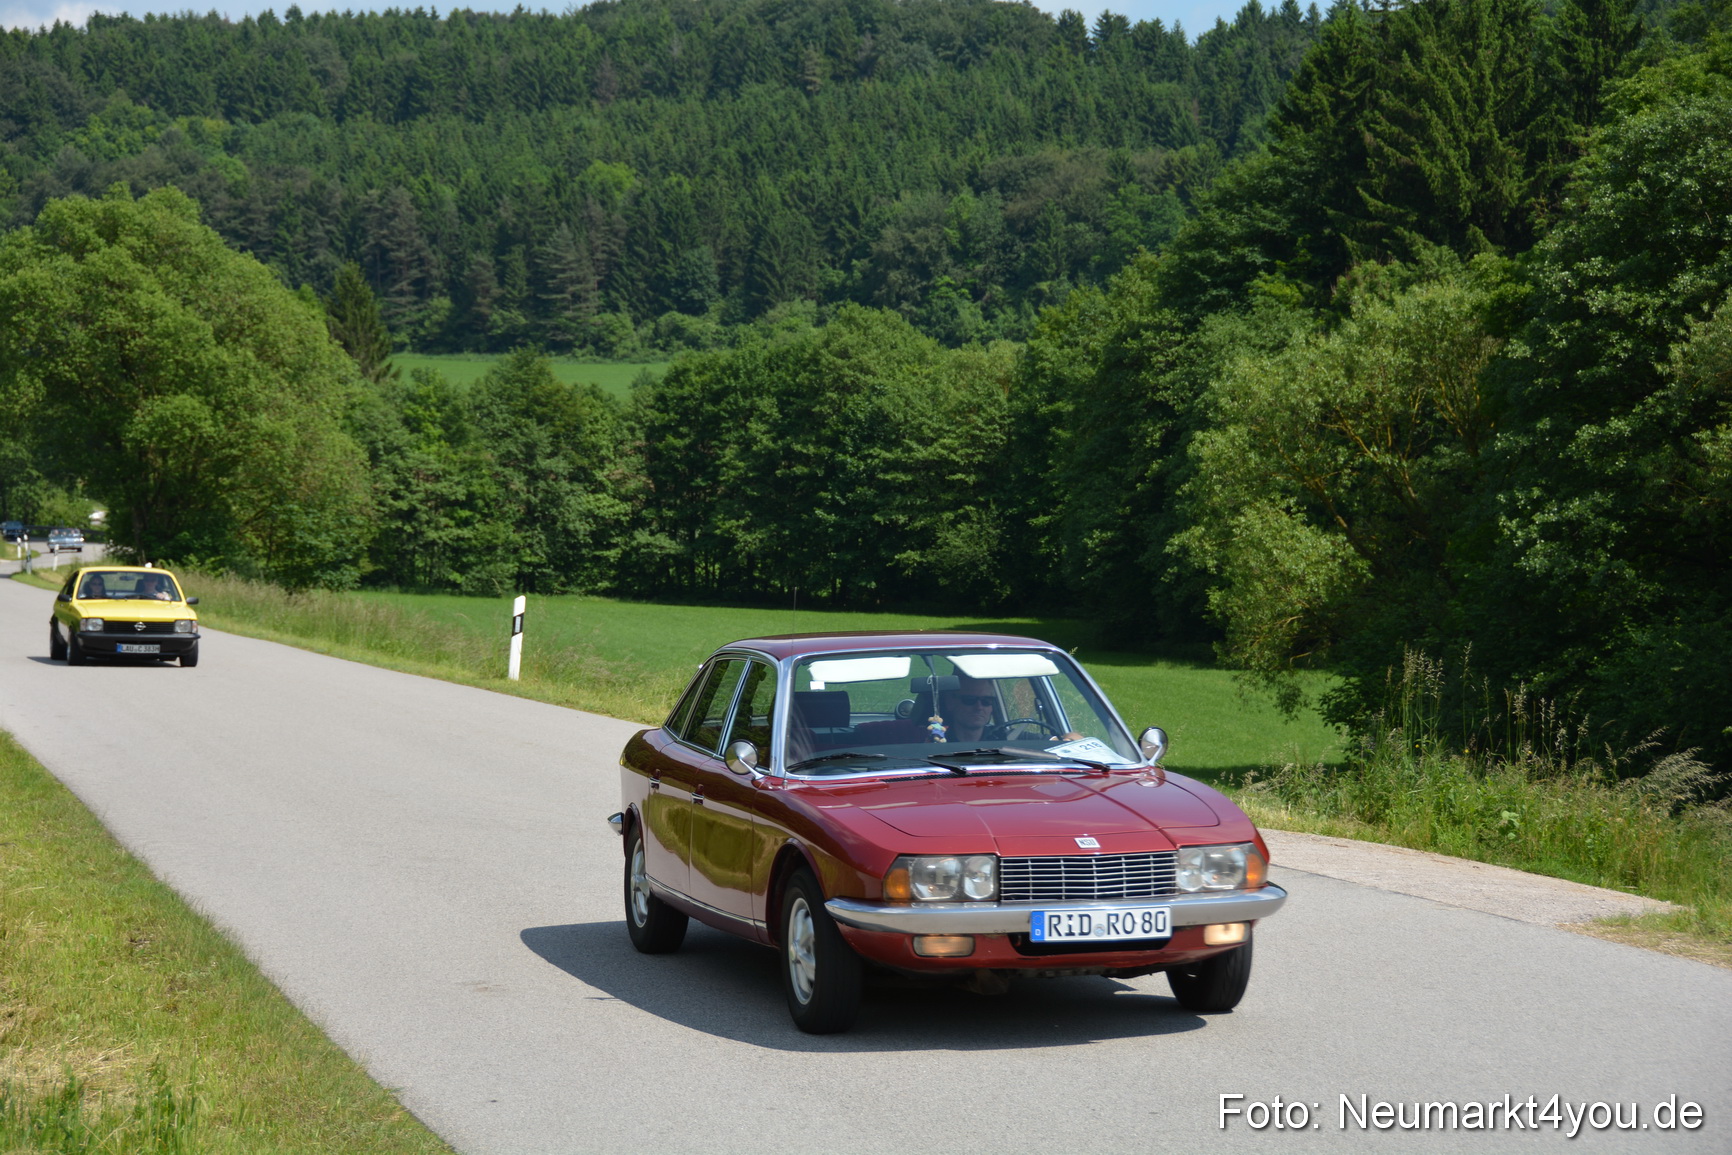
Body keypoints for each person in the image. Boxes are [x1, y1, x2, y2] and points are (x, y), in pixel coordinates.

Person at [938, 676, 999, 744]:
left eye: (986, 701)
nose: (979, 707)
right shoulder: (936, 743)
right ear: (950, 703)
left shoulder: (1003, 742)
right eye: (970, 700)